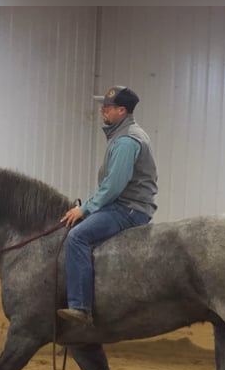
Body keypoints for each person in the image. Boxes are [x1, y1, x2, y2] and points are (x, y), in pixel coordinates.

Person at [57, 85, 158, 326]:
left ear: (122, 111)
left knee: (77, 237)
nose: (103, 110)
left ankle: (80, 307)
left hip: (128, 209)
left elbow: (114, 185)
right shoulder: (125, 135)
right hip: (127, 205)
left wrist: (85, 208)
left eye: (108, 107)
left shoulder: (126, 140)